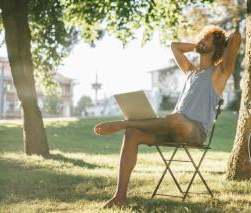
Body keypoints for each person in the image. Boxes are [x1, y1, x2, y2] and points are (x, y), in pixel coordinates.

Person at [94, 24, 241, 208]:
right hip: (172, 127)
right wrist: (198, 45)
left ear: (216, 47)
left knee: (176, 119)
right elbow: (174, 46)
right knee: (133, 133)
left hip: (195, 132)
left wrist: (228, 39)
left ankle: (122, 124)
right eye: (201, 38)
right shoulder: (190, 72)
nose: (201, 40)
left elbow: (235, 41)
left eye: (206, 39)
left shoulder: (219, 73)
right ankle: (120, 196)